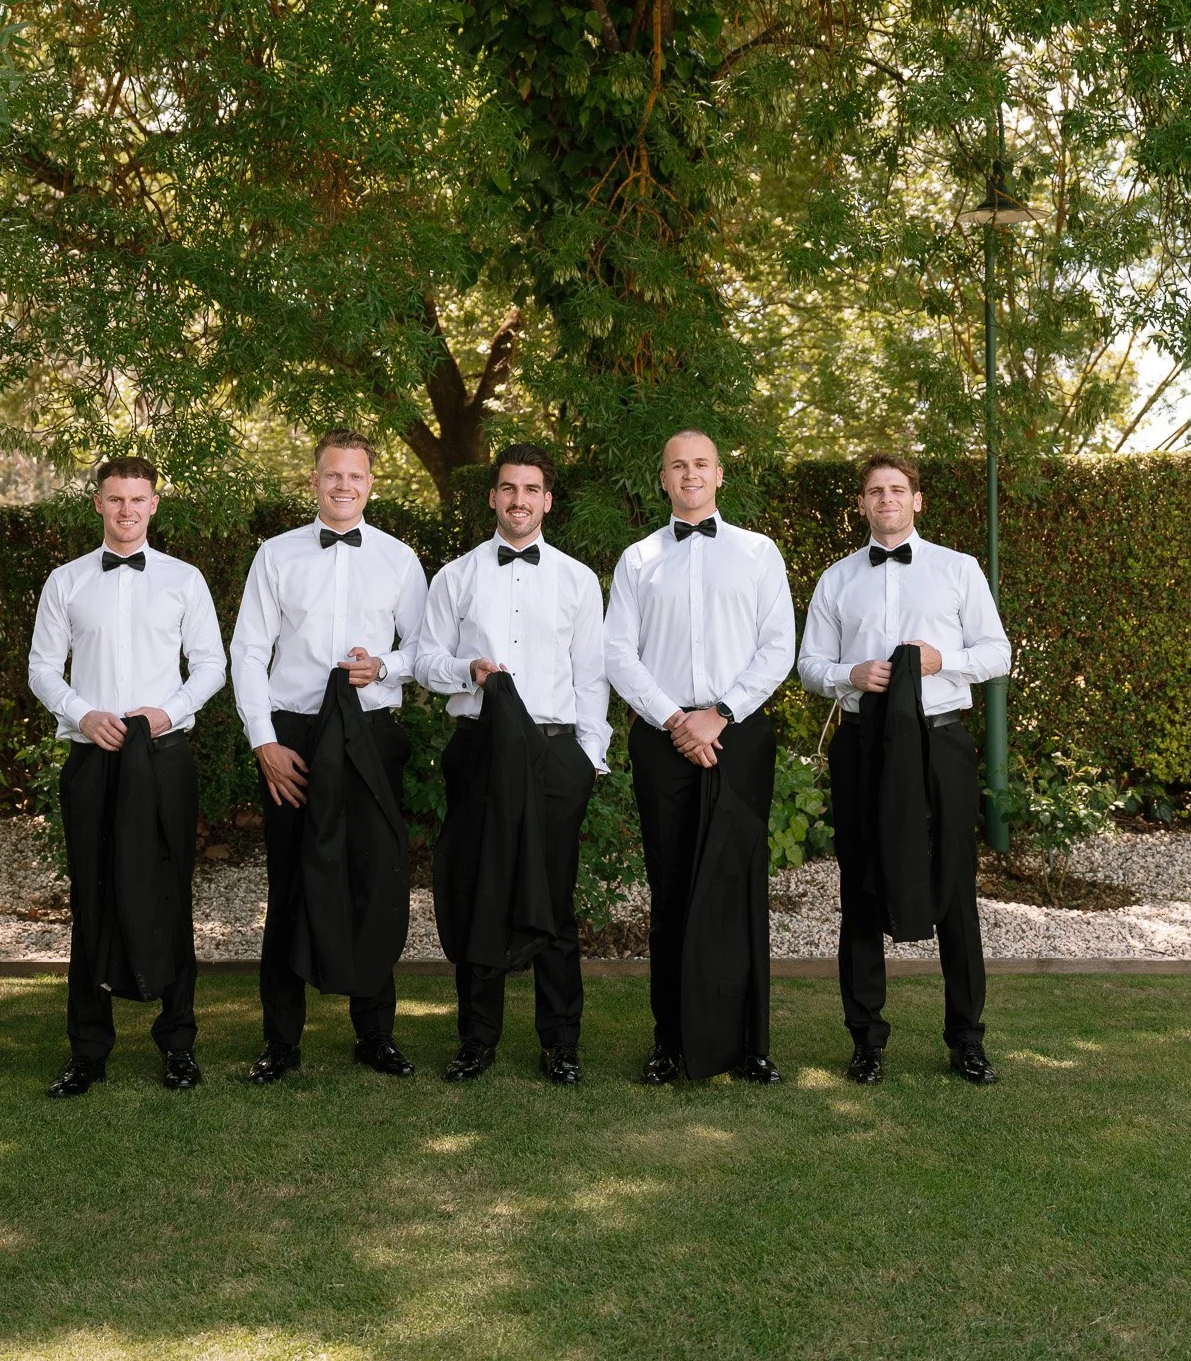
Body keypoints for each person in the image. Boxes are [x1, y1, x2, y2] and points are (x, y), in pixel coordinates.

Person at [797, 452, 1012, 1086]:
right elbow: (810, 664)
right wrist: (849, 674)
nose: (886, 499)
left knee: (955, 885)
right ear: (862, 505)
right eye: (874, 491)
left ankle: (966, 1040)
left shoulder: (958, 569)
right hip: (863, 743)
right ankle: (866, 1040)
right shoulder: (836, 579)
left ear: (916, 501)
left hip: (940, 741)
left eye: (897, 490)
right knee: (860, 884)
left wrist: (945, 660)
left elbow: (997, 652)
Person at [230, 429, 428, 1082]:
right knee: (290, 882)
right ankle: (279, 1042)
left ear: (372, 483)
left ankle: (375, 1034)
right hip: (294, 735)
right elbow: (248, 654)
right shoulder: (275, 556)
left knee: (372, 882)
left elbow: (425, 650)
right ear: (313, 480)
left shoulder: (399, 560)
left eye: (355, 476)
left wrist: (387, 665)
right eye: (331, 475)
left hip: (370, 733)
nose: (343, 486)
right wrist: (264, 741)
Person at [28, 456, 226, 1098]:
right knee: (91, 895)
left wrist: (166, 713)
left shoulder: (184, 580)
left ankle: (178, 1043)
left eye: (138, 499)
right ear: (98, 504)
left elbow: (210, 666)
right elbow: (42, 669)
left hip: (164, 757)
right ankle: (88, 1048)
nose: (127, 510)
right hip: (93, 756)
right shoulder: (65, 581)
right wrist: (82, 714)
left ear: (154, 504)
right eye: (115, 499)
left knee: (171, 891)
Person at [603, 430, 795, 1085]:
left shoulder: (757, 553)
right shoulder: (636, 560)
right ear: (661, 479)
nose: (689, 474)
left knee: (739, 891)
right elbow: (617, 653)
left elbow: (777, 646)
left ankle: (751, 1046)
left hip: (737, 734)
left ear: (719, 476)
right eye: (677, 466)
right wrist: (673, 718)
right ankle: (668, 1043)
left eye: (701, 465)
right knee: (671, 888)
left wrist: (721, 713)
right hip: (662, 739)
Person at [415, 444, 610, 1085]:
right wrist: (466, 671)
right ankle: (476, 1038)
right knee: (479, 892)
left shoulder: (578, 580)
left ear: (547, 500)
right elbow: (424, 663)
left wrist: (588, 760)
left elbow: (592, 677)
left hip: (555, 753)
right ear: (493, 497)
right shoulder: (455, 577)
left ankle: (562, 1041)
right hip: (478, 747)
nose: (519, 500)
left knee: (553, 900)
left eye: (531, 489)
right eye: (508, 488)